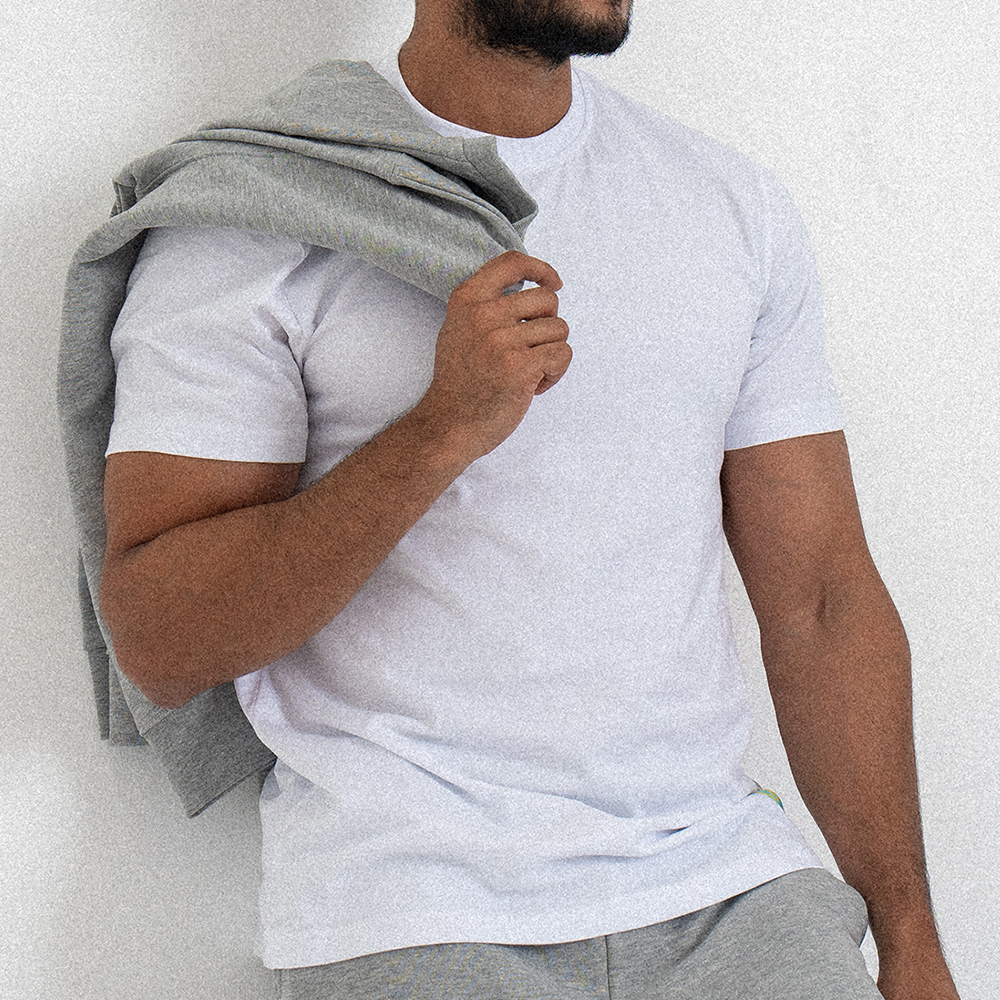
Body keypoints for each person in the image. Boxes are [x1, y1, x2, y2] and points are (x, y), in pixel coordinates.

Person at [97, 0, 961, 997]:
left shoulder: (725, 203)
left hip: (724, 883)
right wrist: (442, 427)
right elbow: (160, 638)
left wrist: (911, 941)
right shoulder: (256, 214)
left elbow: (821, 599)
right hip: (414, 901)